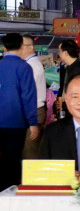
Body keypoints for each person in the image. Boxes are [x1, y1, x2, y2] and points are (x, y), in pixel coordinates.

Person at [0, 33, 39, 189]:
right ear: (22, 47)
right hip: (16, 123)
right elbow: (28, 97)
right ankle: (11, 192)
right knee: (14, 160)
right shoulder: (24, 68)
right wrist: (33, 123)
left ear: (4, 48)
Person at [21, 35, 46, 159]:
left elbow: (26, 93)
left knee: (29, 152)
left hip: (33, 112)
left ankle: (30, 178)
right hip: (33, 111)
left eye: (22, 46)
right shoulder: (30, 64)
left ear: (30, 47)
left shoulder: (31, 66)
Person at [57, 40, 80, 117]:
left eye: (60, 51)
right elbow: (63, 86)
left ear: (65, 53)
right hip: (66, 108)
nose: (59, 54)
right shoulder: (64, 68)